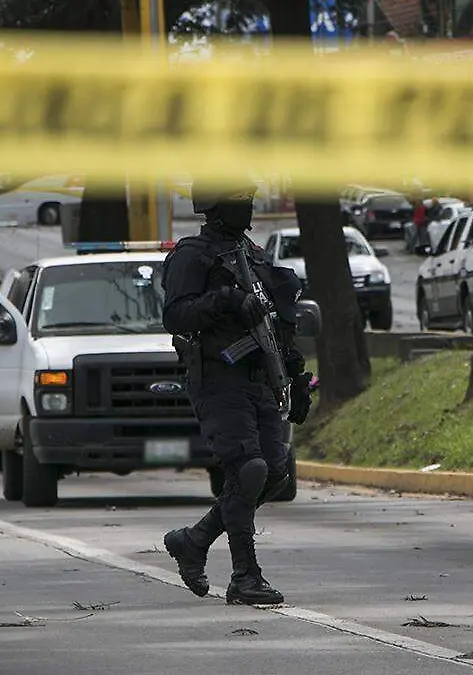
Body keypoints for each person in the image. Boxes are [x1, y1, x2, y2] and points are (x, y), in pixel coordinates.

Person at [160, 178, 314, 606]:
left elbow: (279, 325)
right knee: (247, 469)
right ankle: (245, 576)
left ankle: (195, 539)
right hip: (217, 378)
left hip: (259, 377)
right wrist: (225, 300)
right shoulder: (193, 255)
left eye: (249, 201)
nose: (246, 210)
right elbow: (175, 315)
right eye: (238, 202)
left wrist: (298, 377)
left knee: (276, 473)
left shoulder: (254, 256)